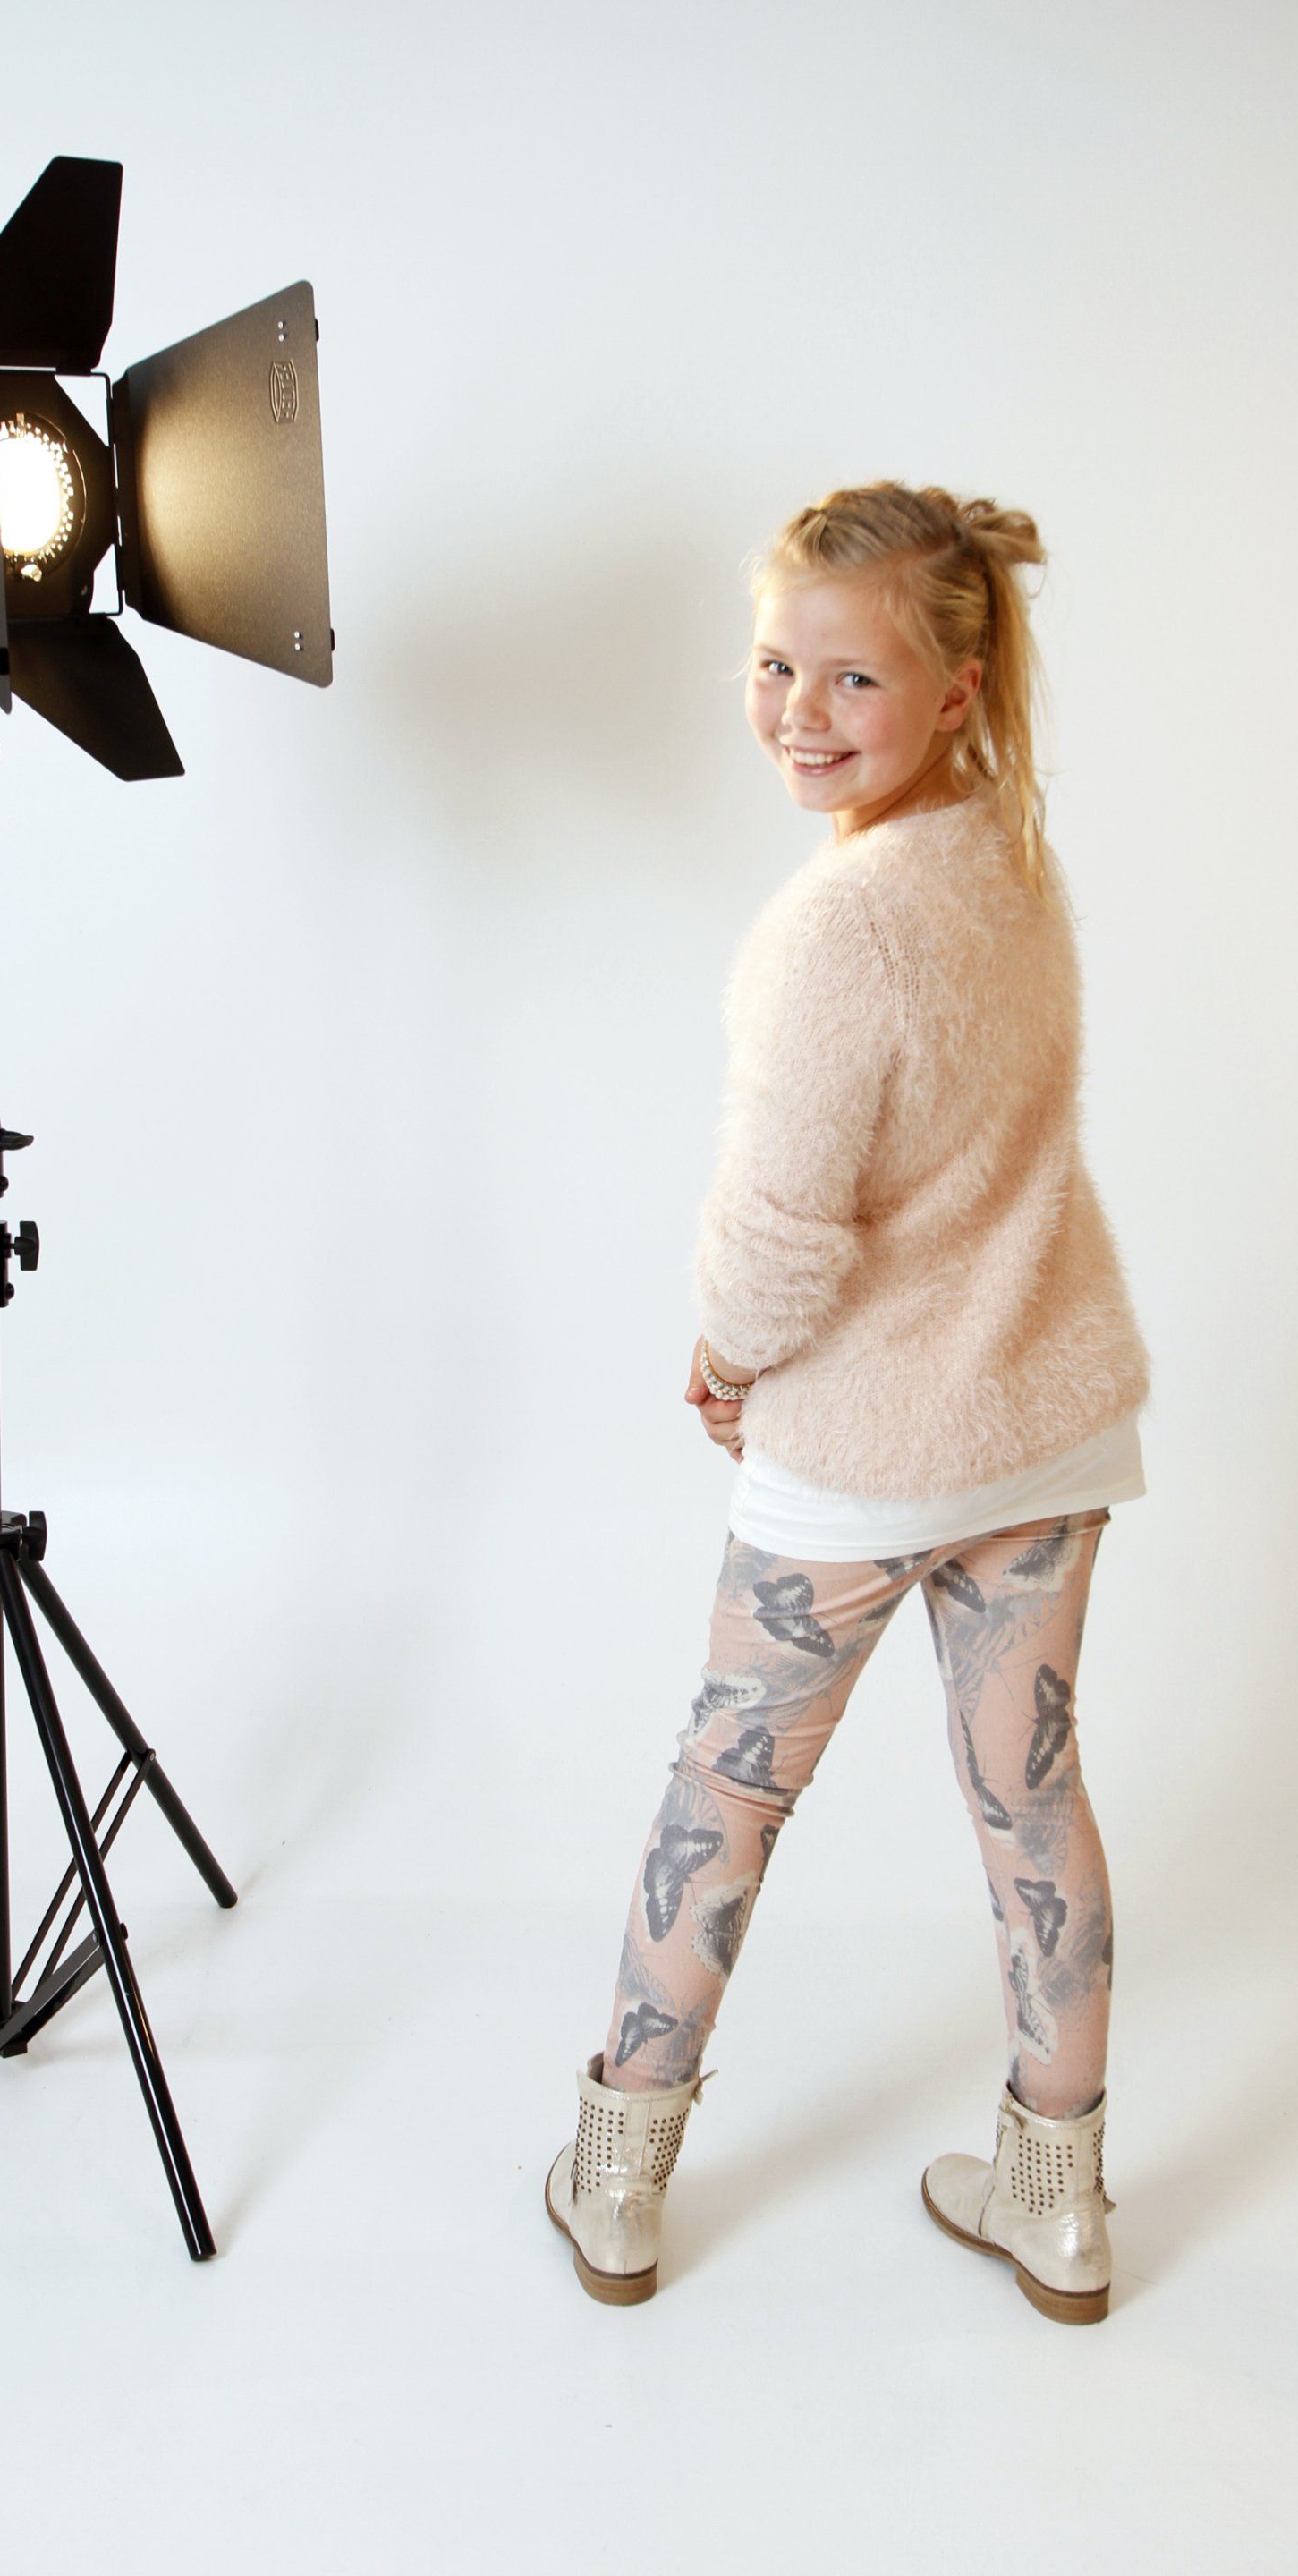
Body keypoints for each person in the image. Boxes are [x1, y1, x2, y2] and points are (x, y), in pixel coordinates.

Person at [545, 482, 1150, 2325]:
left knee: (726, 1793)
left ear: (954, 689)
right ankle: (1059, 2202)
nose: (800, 713)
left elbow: (779, 1229)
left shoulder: (837, 930)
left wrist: (729, 1358)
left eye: (852, 680)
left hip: (868, 1455)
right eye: (774, 666)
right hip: (1042, 1422)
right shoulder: (1013, 857)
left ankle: (619, 2172)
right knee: (1031, 1803)